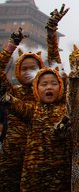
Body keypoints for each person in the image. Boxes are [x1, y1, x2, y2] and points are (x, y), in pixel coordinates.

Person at [1, 68, 71, 190]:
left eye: (54, 83)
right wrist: (6, 97)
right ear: (36, 88)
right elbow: (16, 105)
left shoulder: (66, 109)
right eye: (44, 84)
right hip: (34, 174)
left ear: (61, 87)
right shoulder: (32, 110)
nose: (49, 87)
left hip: (61, 174)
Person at [0, 28, 45, 191]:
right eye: (24, 68)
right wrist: (10, 47)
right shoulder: (13, 91)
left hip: (37, 155)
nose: (28, 72)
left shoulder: (45, 95)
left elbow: (30, 113)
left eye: (33, 68)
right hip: (11, 154)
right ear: (18, 71)